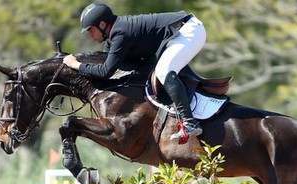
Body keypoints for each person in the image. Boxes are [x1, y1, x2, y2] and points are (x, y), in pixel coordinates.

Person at [63, 2, 206, 142]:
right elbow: (107, 64)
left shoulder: (121, 32)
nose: (90, 34)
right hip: (177, 35)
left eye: (90, 30)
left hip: (189, 31)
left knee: (163, 70)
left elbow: (106, 71)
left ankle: (189, 122)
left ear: (102, 25)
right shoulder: (113, 37)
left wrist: (76, 65)